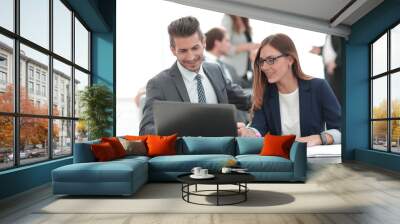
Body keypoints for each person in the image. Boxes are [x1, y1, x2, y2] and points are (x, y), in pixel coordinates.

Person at [139, 16, 251, 135]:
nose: (191, 57)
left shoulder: (215, 71)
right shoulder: (159, 84)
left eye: (195, 48)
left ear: (203, 43)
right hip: (185, 153)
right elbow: (146, 131)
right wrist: (185, 129)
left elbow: (245, 100)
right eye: (183, 51)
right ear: (173, 50)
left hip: (224, 150)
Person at [238, 33, 341, 146]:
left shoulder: (318, 87)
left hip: (313, 160)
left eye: (271, 59)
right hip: (280, 160)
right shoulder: (265, 93)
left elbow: (340, 130)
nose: (264, 67)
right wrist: (247, 133)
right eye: (262, 61)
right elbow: (258, 129)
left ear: (290, 59)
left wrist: (319, 138)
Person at [204, 27, 251, 123]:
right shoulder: (199, 65)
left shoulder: (229, 68)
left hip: (241, 122)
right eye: (227, 41)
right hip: (215, 121)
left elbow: (246, 87)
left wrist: (256, 64)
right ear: (217, 43)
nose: (230, 45)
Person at [221, 14, 259, 88]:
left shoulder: (244, 18)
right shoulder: (227, 19)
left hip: (243, 73)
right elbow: (224, 49)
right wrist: (248, 46)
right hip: (231, 74)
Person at [310, 34, 343, 104]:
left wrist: (335, 63)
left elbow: (343, 48)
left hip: (337, 70)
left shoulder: (336, 33)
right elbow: (329, 49)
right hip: (329, 70)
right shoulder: (329, 35)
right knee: (331, 94)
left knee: (337, 95)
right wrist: (320, 50)